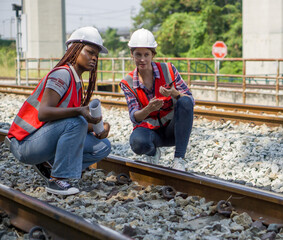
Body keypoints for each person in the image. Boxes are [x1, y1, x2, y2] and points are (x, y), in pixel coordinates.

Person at [6, 26, 111, 196]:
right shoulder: (62, 74)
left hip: (42, 139)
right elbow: (44, 113)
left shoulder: (76, 81)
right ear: (75, 50)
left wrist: (100, 127)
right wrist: (79, 111)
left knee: (103, 146)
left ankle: (51, 166)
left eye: (96, 56)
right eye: (90, 52)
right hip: (24, 143)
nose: (94, 58)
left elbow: (67, 124)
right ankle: (58, 180)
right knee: (75, 121)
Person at [120, 28, 194, 171]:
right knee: (137, 143)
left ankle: (179, 159)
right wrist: (149, 109)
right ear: (132, 55)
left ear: (153, 54)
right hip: (151, 134)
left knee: (184, 101)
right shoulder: (127, 82)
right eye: (138, 54)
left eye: (146, 54)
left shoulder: (168, 70)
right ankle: (152, 153)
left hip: (174, 131)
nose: (142, 59)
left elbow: (190, 101)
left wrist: (174, 93)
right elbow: (134, 117)